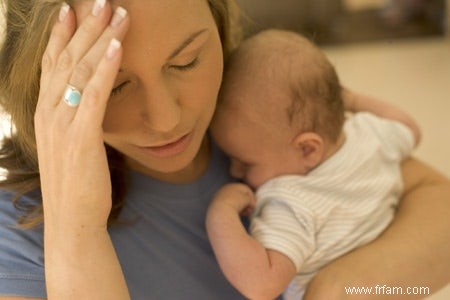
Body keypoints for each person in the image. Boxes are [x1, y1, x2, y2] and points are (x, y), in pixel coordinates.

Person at [0, 1, 448, 299]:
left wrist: (342, 289)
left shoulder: (259, 110)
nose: (166, 120)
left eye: (187, 61)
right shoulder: (14, 235)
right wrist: (76, 234)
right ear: (43, 84)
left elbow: (437, 204)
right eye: (113, 88)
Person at [206, 29, 422, 299]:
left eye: (246, 163)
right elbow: (410, 128)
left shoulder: (291, 199)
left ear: (308, 149)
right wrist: (353, 100)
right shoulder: (369, 134)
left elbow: (261, 284)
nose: (234, 171)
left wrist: (221, 213)